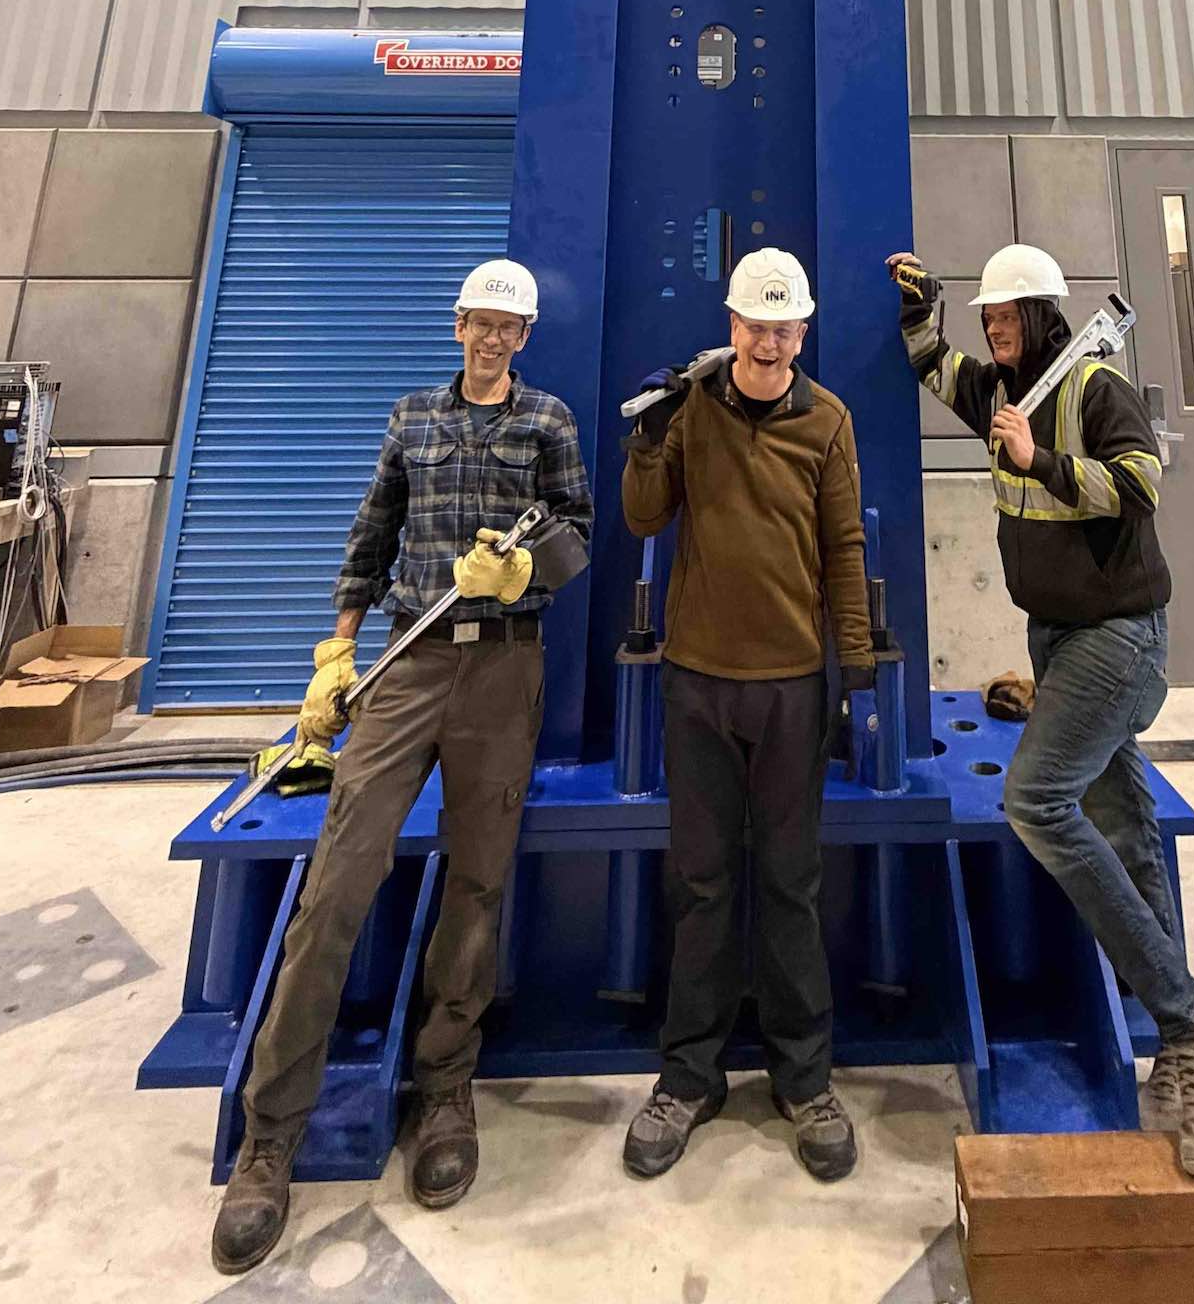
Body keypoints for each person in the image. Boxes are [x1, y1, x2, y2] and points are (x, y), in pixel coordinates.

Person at [211, 258, 593, 1276]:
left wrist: (524, 566)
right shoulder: (412, 416)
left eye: (511, 325)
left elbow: (578, 538)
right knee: (337, 883)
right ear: (457, 322)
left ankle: (443, 1094)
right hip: (404, 663)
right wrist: (335, 656)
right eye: (482, 320)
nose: (494, 337)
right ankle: (270, 1134)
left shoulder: (546, 419)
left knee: (476, 884)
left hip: (503, 668)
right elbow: (370, 535)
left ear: (525, 335)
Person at [887, 242, 1194, 1179]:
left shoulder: (1092, 388)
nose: (995, 334)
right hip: (1057, 638)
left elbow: (1138, 486)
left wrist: (1038, 457)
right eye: (989, 322)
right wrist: (925, 304)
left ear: (1046, 315)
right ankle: (1183, 1034)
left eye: (1007, 320)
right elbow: (932, 365)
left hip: (1118, 638)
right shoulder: (1003, 387)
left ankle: (1192, 1021)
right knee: (1123, 823)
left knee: (1037, 802)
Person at [618, 247, 875, 1185]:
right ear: (731, 327)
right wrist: (646, 436)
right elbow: (645, 519)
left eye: (785, 326)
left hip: (793, 687)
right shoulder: (691, 408)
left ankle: (804, 1080)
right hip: (697, 684)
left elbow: (844, 547)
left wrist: (853, 675)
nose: (769, 341)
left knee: (791, 884)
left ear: (802, 333)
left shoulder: (829, 422)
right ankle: (688, 1078)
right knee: (702, 882)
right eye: (755, 325)